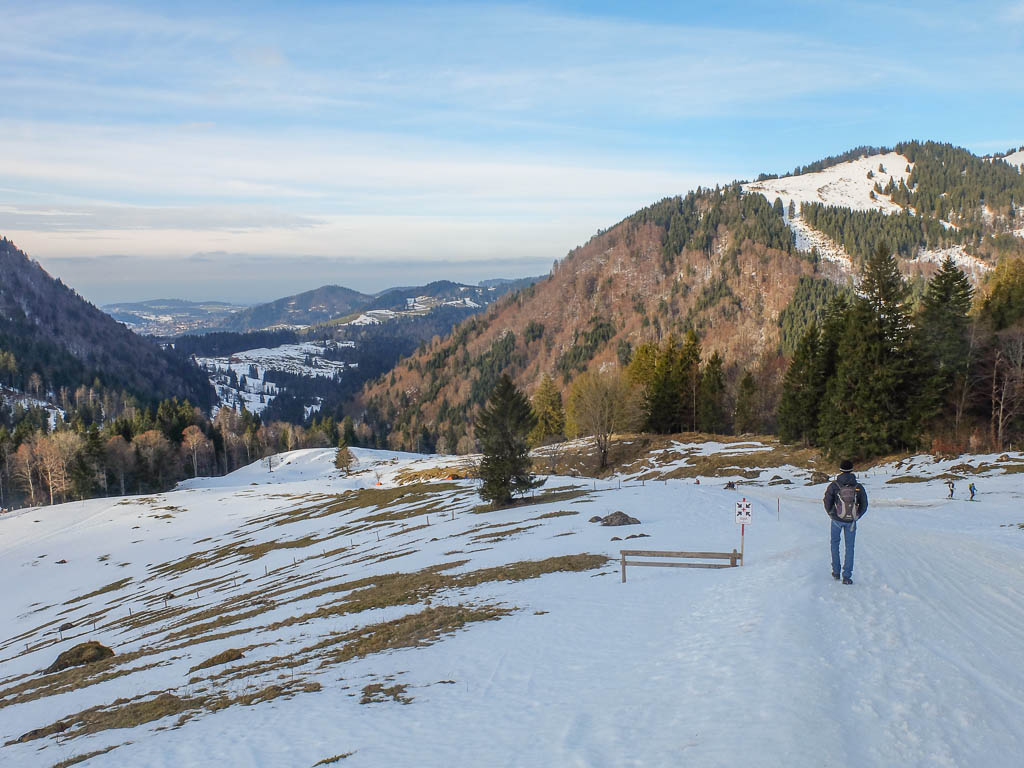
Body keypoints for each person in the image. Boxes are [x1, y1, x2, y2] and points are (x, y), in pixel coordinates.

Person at [823, 459, 868, 585]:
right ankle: (847, 576)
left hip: (836, 520)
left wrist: (831, 514)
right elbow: (864, 504)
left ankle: (836, 571)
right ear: (852, 470)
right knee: (850, 548)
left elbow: (827, 501)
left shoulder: (834, 485)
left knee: (835, 544)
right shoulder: (858, 486)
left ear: (841, 469)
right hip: (851, 521)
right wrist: (857, 516)